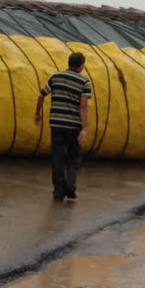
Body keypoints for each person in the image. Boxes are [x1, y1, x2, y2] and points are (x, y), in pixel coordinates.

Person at [35, 52, 91, 201]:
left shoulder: (56, 77)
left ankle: (59, 192)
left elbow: (41, 96)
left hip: (56, 124)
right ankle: (70, 186)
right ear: (81, 65)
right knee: (74, 157)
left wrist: (37, 114)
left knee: (57, 158)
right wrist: (84, 128)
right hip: (73, 126)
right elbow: (83, 106)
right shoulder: (84, 82)